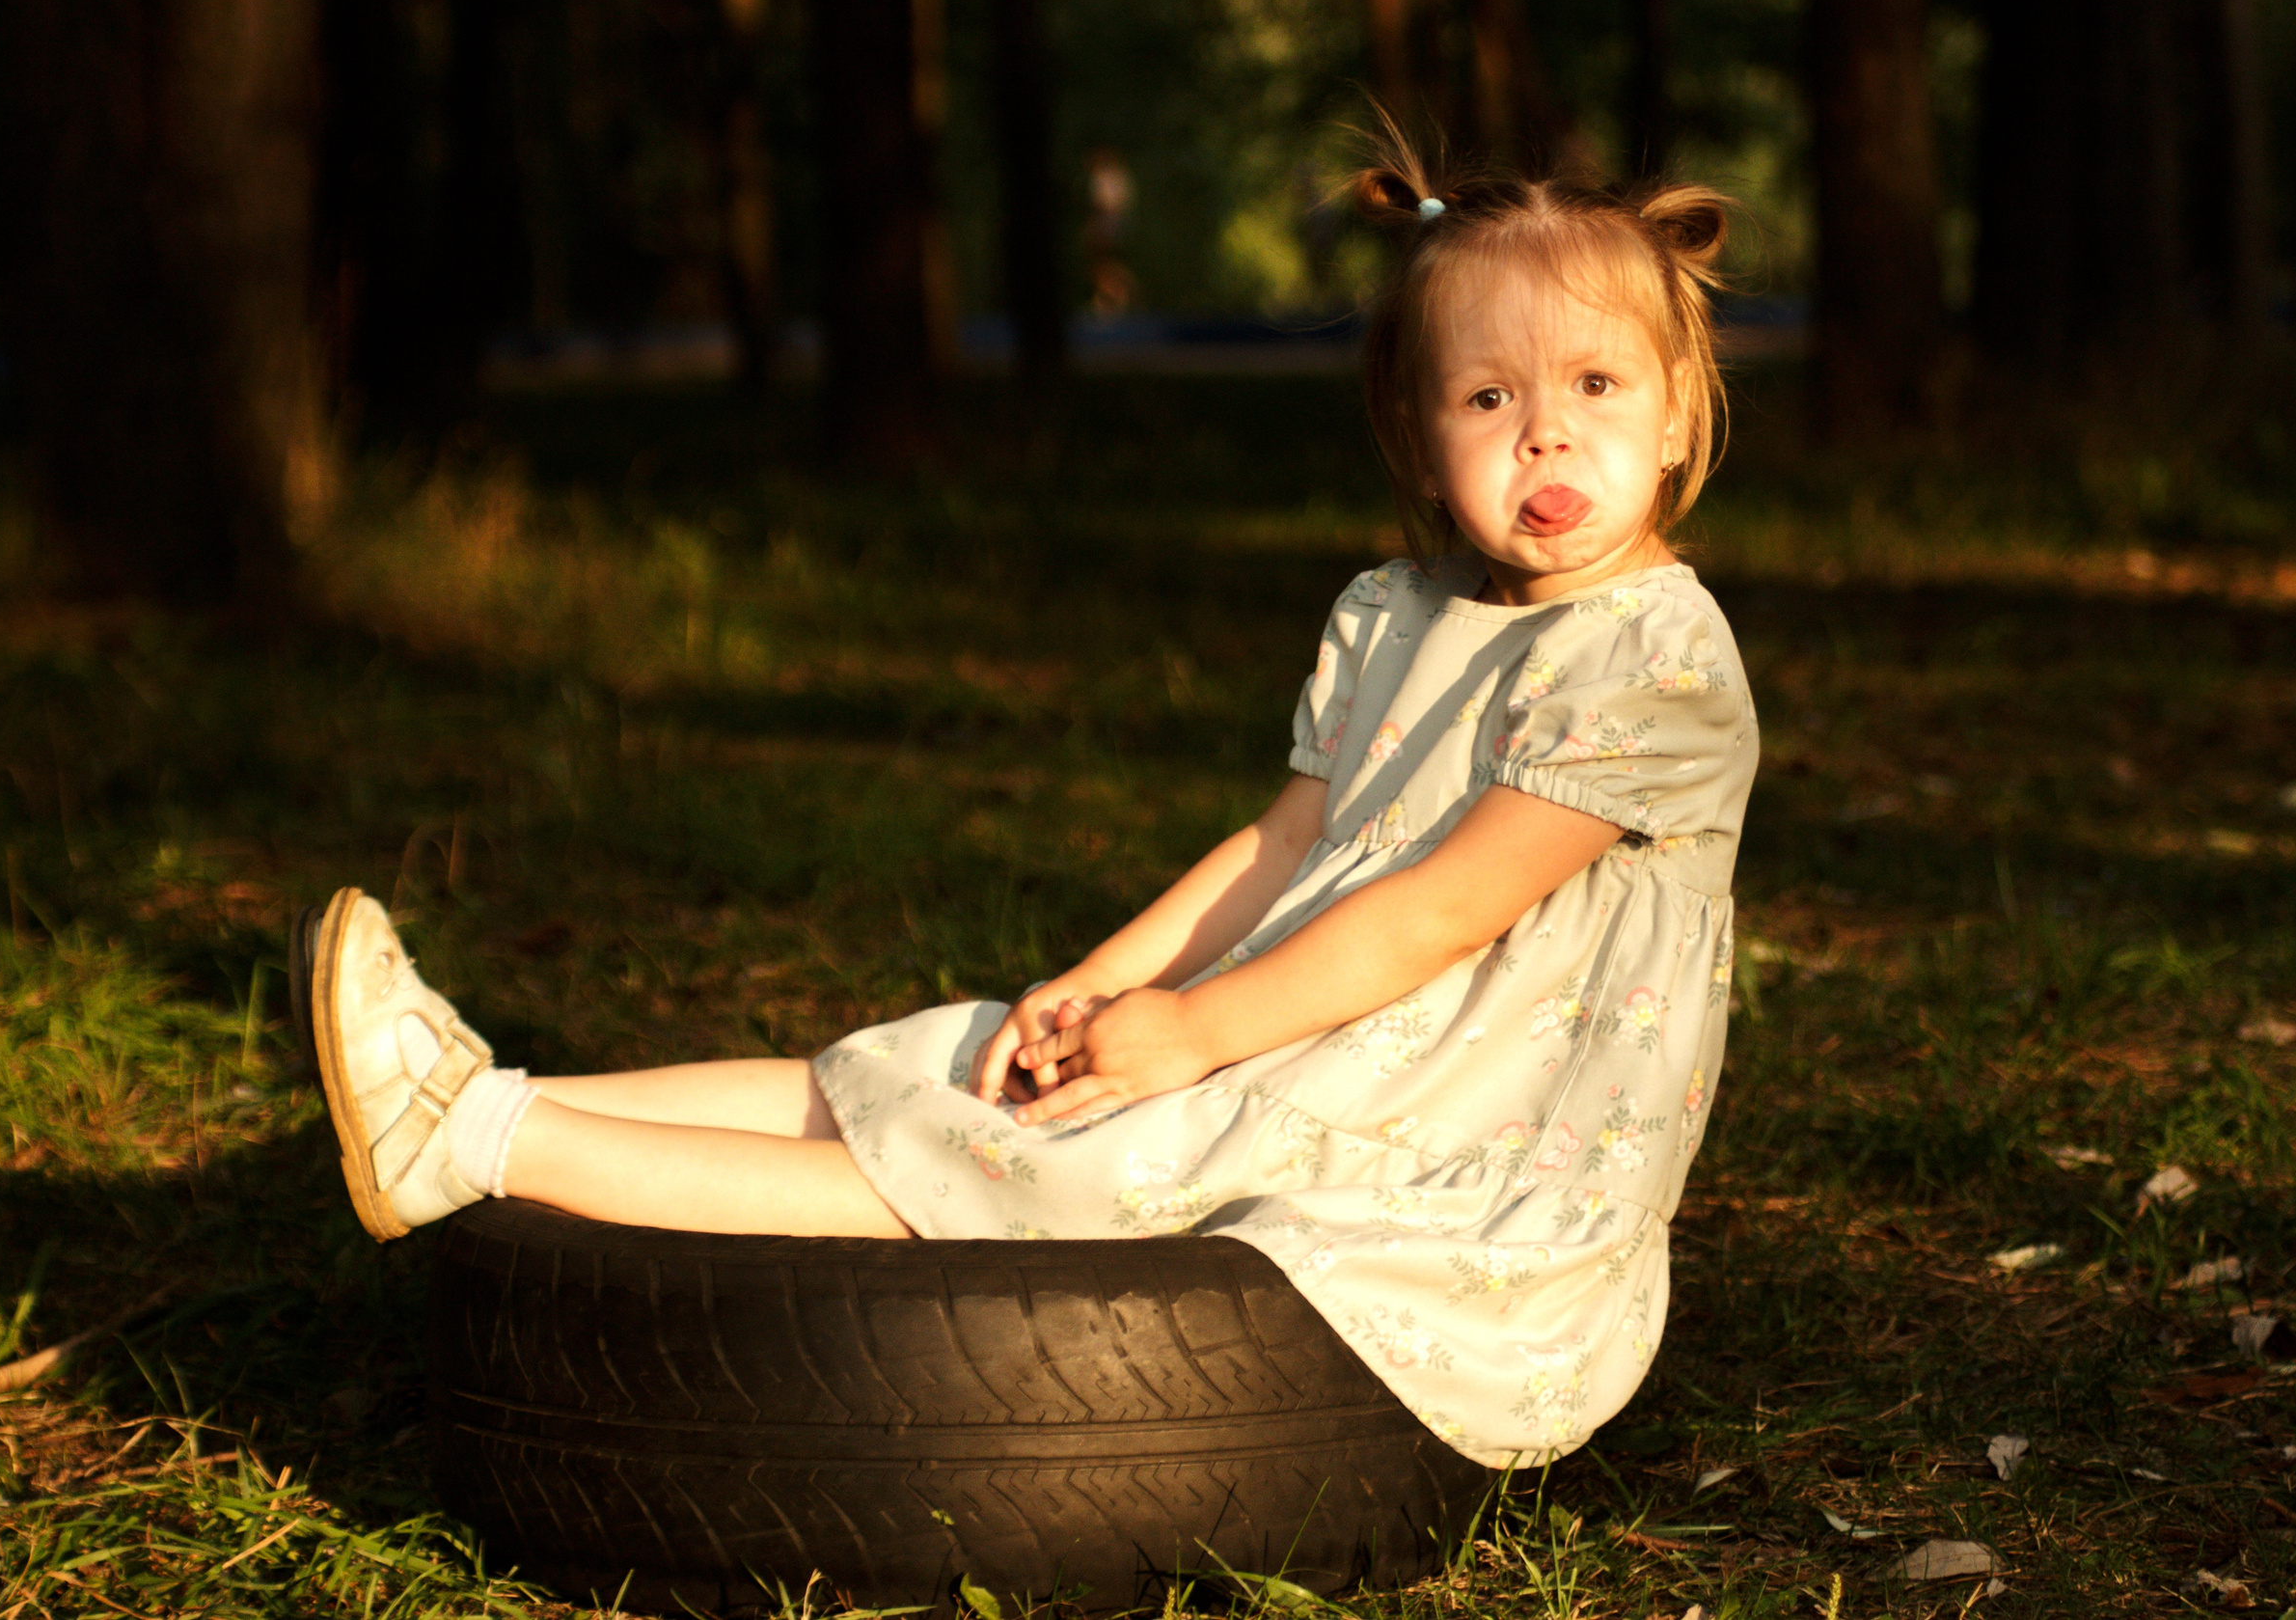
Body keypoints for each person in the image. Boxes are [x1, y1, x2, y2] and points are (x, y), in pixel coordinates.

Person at [304, 138, 1757, 1470]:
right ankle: (482, 1088)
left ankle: (485, 1143)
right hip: (1305, 1047)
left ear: (1680, 412)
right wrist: (1102, 982)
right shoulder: (1397, 612)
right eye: (1491, 397)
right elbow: (1288, 841)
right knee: (940, 1073)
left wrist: (1192, 1029)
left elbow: (1443, 908)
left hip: (1459, 1153)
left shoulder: (1655, 658)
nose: (1545, 439)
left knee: (1008, 1168)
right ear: (1421, 433)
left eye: (1596, 389)